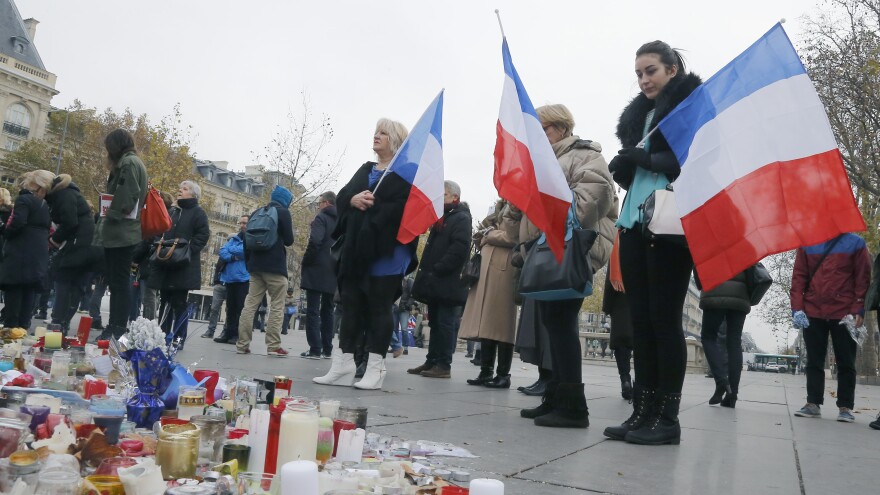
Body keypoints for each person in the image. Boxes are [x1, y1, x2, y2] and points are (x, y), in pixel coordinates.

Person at [603, 41, 702, 445]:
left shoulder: (690, 108)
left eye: (652, 71)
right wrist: (625, 167)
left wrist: (645, 159)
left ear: (672, 69)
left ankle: (668, 418)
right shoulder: (641, 117)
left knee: (664, 322)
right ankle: (642, 412)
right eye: (640, 73)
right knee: (640, 322)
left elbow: (694, 160)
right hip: (632, 222)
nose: (644, 79)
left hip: (671, 225)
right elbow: (640, 174)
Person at [506, 104, 617, 428]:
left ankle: (573, 408)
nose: (538, 137)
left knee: (563, 325)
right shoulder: (536, 163)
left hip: (569, 252)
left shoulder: (584, 155)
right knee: (552, 326)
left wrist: (543, 203)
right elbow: (519, 223)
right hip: (542, 252)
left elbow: (594, 197)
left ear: (562, 127)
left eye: (544, 129)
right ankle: (554, 397)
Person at [314, 118, 418, 390]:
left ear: (396, 141)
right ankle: (343, 364)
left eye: (383, 133)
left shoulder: (407, 173)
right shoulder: (365, 168)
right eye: (376, 132)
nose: (377, 136)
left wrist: (372, 206)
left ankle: (375, 367)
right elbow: (345, 194)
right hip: (356, 249)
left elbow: (405, 209)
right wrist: (352, 200)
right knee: (350, 304)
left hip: (388, 249)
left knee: (379, 306)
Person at [792, 233, 870, 423]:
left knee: (846, 362)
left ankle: (845, 407)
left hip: (844, 313)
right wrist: (797, 308)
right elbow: (799, 277)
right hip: (813, 310)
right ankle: (813, 403)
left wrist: (858, 308)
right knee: (814, 360)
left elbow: (862, 277)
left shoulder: (856, 243)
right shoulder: (807, 242)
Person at [408, 181, 472, 379]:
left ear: (454, 197)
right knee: (435, 322)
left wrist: (439, 268)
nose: (439, 198)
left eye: (443, 195)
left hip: (448, 282)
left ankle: (444, 364)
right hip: (436, 282)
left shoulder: (461, 218)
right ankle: (432, 360)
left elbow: (459, 248)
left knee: (444, 324)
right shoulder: (442, 218)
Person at [460, 199, 519, 389]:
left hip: (505, 269)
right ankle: (485, 371)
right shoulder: (497, 209)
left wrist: (490, 235)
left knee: (502, 324)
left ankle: (503, 374)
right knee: (486, 323)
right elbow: (479, 233)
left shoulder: (520, 207)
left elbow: (515, 237)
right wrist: (486, 233)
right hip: (485, 270)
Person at [95, 128, 148, 339]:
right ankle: (115, 326)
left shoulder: (128, 163)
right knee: (118, 281)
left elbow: (127, 195)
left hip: (121, 232)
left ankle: (116, 327)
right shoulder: (133, 162)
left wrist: (111, 214)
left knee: (118, 282)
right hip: (123, 232)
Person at [148, 180, 210, 346]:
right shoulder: (172, 211)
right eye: (180, 187)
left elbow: (203, 235)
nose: (180, 190)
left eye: (185, 188)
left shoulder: (198, 213)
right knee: (164, 300)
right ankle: (162, 335)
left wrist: (188, 250)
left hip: (183, 265)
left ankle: (178, 337)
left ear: (193, 194)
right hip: (167, 263)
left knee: (179, 302)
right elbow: (160, 230)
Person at [235, 184, 295, 357]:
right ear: (286, 201)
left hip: (255, 266)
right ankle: (273, 346)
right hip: (275, 267)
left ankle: (242, 344)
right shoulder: (283, 213)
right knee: (276, 305)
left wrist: (249, 263)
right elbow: (289, 240)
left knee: (249, 305)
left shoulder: (256, 212)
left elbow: (246, 241)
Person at [42, 172, 101, 334]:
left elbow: (69, 222)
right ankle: (62, 323)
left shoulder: (63, 195)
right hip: (86, 245)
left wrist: (55, 238)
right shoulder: (70, 193)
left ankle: (57, 323)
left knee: (64, 281)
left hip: (78, 246)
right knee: (76, 285)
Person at [0, 172, 51, 329]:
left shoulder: (24, 200)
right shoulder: (45, 204)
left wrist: (4, 230)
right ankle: (23, 326)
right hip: (38, 250)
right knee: (29, 288)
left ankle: (11, 326)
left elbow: (18, 222)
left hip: (20, 249)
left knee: (14, 287)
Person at [699, 271, 751, 408]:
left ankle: (722, 381)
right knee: (734, 342)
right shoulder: (745, 247)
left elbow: (699, 261)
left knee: (708, 337)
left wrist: (700, 283)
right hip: (740, 292)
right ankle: (732, 395)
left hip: (714, 287)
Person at [300, 191, 338, 359]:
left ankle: (315, 348)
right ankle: (327, 348)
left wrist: (307, 260)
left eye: (319, 203)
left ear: (326, 203)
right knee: (328, 310)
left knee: (313, 310)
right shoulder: (341, 220)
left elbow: (315, 241)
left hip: (316, 268)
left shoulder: (321, 218)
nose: (318, 206)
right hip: (334, 268)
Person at [215, 218, 250, 344]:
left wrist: (232, 251)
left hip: (243, 278)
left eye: (245, 223)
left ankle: (237, 334)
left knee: (240, 308)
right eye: (240, 223)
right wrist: (232, 256)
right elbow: (222, 251)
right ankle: (227, 332)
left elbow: (245, 251)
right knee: (230, 308)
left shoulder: (250, 239)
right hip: (229, 277)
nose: (242, 225)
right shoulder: (234, 238)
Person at [602, 271, 634, 401]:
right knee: (644, 344)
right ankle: (643, 387)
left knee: (622, 345)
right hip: (642, 301)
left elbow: (611, 279)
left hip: (621, 303)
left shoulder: (618, 250)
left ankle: (625, 380)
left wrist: (607, 306)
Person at [201, 255, 229, 339]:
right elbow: (217, 267)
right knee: (214, 308)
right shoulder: (225, 253)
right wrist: (216, 281)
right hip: (219, 284)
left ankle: (225, 331)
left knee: (229, 310)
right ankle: (210, 330)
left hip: (231, 285)